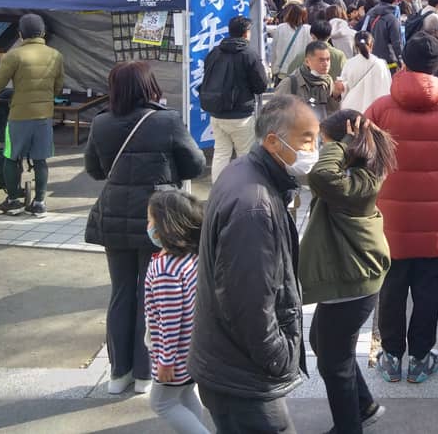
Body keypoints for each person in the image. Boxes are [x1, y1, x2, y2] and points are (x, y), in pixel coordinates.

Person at [190, 95, 314, 434]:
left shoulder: (245, 173)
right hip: (240, 375)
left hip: (230, 363)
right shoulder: (254, 207)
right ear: (273, 142)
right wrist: (279, 356)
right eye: (307, 140)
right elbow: (248, 303)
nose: (313, 150)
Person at [365, 34, 438, 385]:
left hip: (388, 222)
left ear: (404, 63)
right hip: (437, 222)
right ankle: (419, 358)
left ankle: (390, 357)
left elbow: (362, 162)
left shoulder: (380, 110)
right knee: (429, 293)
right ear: (437, 67)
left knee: (390, 290)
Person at [85, 61, 206, 395]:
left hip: (114, 216)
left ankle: (118, 373)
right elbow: (196, 164)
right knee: (150, 293)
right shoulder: (166, 120)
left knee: (121, 292)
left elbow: (94, 170)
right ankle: (144, 373)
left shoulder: (101, 123)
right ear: (149, 85)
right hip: (158, 217)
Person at [301, 111, 395, 434]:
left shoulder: (356, 181)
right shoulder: (360, 174)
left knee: (333, 363)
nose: (321, 150)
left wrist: (341, 143)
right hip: (353, 275)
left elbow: (321, 175)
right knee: (321, 342)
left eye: (324, 143)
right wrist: (344, 143)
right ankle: (364, 406)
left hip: (353, 281)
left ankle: (349, 426)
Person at [0, 13, 64, 216]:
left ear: (20, 34)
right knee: (41, 160)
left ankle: (13, 200)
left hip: (19, 117)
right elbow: (58, 87)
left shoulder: (14, 55)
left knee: (11, 157)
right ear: (43, 33)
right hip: (44, 117)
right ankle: (40, 203)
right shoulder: (55, 55)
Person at [143, 190, 209, 433]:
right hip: (191, 349)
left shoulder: (165, 269)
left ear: (166, 226)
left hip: (175, 355)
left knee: (162, 403)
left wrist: (165, 360)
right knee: (185, 395)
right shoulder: (190, 257)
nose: (148, 226)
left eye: (150, 220)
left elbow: (169, 321)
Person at [199, 15, 268, 182]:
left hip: (216, 112)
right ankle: (244, 189)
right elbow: (261, 86)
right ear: (246, 33)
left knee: (221, 153)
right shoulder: (249, 54)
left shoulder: (214, 52)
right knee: (245, 154)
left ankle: (218, 189)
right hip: (241, 114)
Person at [275, 40, 342, 121]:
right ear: (307, 62)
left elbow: (331, 113)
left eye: (328, 59)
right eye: (321, 60)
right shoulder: (290, 83)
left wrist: (335, 96)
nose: (326, 64)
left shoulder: (328, 81)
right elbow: (276, 114)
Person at [340, 30, 393, 114]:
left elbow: (343, 89)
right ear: (372, 44)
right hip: (374, 112)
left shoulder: (349, 63)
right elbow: (386, 90)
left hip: (351, 110)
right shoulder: (380, 64)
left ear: (355, 46)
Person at [363, 0, 404, 71]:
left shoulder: (370, 13)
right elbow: (397, 43)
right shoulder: (392, 19)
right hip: (389, 61)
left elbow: (363, 32)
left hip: (372, 58)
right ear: (395, 0)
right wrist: (401, 61)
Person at [266, 3, 307, 85]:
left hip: (283, 71)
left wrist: (274, 69)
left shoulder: (281, 28)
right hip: (301, 73)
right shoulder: (308, 30)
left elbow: (274, 51)